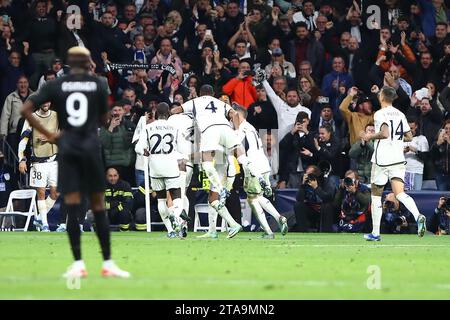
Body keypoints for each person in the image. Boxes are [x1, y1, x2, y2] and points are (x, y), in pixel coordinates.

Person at [21, 46, 130, 278]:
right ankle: (108, 263)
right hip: (90, 146)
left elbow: (26, 108)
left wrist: (50, 135)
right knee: (98, 205)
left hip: (68, 147)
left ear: (70, 63)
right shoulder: (98, 84)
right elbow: (103, 118)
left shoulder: (56, 85)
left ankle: (78, 264)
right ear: (87, 62)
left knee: (71, 205)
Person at [175, 85, 264, 239]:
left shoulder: (195, 102)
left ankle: (220, 192)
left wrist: (185, 115)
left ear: (201, 93)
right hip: (226, 137)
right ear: (213, 94)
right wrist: (235, 131)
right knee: (240, 158)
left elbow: (176, 110)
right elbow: (234, 114)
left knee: (208, 168)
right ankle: (256, 174)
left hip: (211, 134)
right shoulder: (221, 103)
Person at [360, 86, 426, 241]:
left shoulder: (380, 114)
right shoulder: (400, 114)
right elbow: (409, 136)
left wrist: (370, 136)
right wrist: (394, 141)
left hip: (382, 159)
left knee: (376, 194)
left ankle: (375, 233)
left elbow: (384, 133)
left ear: (382, 96)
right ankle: (418, 216)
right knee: (400, 193)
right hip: (397, 158)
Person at [135, 102, 190, 238]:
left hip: (154, 167)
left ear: (156, 114)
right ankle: (175, 216)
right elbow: (184, 150)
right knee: (177, 197)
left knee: (161, 200)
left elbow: (138, 148)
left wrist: (145, 152)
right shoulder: (174, 127)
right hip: (171, 166)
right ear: (169, 114)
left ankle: (170, 230)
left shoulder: (148, 128)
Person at [233, 106, 288, 239]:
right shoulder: (251, 127)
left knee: (252, 199)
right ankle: (279, 218)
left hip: (253, 166)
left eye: (233, 116)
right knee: (259, 197)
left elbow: (238, 149)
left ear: (238, 116)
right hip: (263, 164)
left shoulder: (241, 130)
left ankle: (269, 232)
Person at [17, 102, 58, 232]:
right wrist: (22, 160)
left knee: (54, 193)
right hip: (38, 162)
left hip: (54, 160)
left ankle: (39, 218)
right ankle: (45, 225)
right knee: (40, 192)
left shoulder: (57, 116)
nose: (46, 103)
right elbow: (23, 139)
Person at [293, 164, 336, 232]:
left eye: (310, 175)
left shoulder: (325, 181)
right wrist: (302, 185)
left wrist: (316, 188)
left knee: (328, 206)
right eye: (306, 174)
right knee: (298, 205)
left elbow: (327, 198)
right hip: (311, 210)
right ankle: (302, 231)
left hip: (323, 210)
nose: (308, 177)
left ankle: (326, 232)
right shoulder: (305, 184)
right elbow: (299, 199)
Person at [104, 167, 133, 232]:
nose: (113, 178)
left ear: (118, 175)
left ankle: (124, 233)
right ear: (106, 176)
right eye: (110, 176)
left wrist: (117, 209)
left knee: (125, 213)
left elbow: (129, 202)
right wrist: (114, 204)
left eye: (115, 175)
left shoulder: (125, 185)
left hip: (120, 213)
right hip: (106, 213)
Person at [404, 118, 429, 190]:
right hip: (402, 171)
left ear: (416, 127)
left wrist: (415, 150)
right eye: (407, 128)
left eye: (411, 128)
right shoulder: (400, 139)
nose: (409, 131)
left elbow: (426, 157)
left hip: (416, 171)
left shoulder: (422, 139)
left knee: (415, 195)